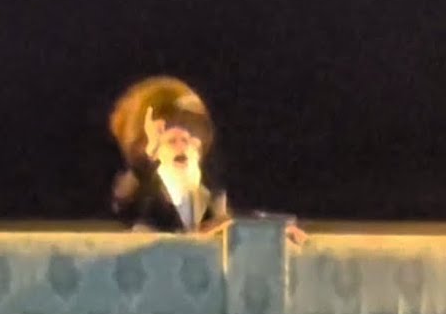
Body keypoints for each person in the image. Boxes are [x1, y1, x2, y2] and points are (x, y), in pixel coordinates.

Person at [108, 76, 306, 243]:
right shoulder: (139, 192)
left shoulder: (209, 196)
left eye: (189, 132)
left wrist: (273, 233)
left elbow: (226, 224)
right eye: (169, 138)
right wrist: (148, 156)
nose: (182, 143)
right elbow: (126, 198)